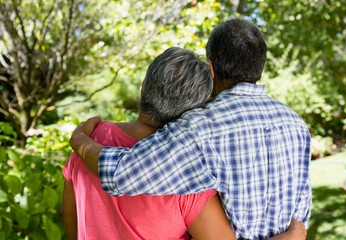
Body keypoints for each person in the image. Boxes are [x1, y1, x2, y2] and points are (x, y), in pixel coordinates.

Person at [70, 19, 311, 239]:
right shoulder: (296, 124)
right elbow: (301, 213)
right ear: (259, 67)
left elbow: (120, 175)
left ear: (211, 69)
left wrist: (80, 140)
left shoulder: (200, 127)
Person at [61, 47, 236, 239]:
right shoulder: (188, 172)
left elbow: (69, 213)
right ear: (194, 111)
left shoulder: (89, 138)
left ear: (143, 86)